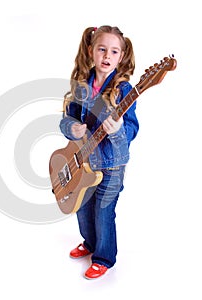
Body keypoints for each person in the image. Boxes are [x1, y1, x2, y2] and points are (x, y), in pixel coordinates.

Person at [59, 25, 139, 280]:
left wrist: (116, 131)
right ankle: (90, 243)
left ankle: (104, 257)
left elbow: (132, 128)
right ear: (91, 51)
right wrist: (71, 127)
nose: (107, 55)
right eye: (102, 49)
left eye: (114, 51)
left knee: (104, 211)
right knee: (82, 208)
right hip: (84, 162)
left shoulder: (123, 90)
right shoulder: (81, 87)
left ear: (122, 57)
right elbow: (65, 119)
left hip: (111, 166)